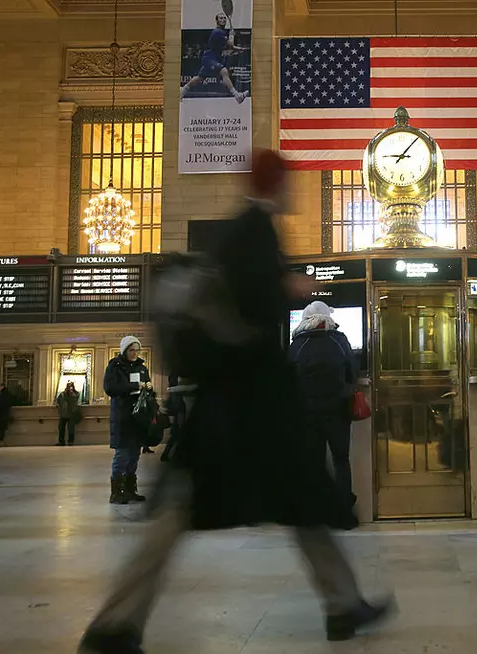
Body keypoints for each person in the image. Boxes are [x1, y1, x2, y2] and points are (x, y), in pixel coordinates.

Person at [78, 150, 391, 654]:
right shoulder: (253, 231)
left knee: (295, 500)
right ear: (276, 183)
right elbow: (252, 311)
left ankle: (343, 603)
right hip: (245, 406)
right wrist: (289, 288)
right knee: (197, 508)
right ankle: (113, 625)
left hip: (241, 404)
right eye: (287, 181)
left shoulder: (241, 231)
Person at [288, 300, 358, 508]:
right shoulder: (339, 340)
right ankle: (344, 511)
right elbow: (352, 373)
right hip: (338, 411)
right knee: (341, 460)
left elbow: (289, 379)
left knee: (315, 462)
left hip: (308, 412)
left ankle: (318, 510)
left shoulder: (298, 344)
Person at [103, 336, 152, 505]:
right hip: (123, 416)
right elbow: (110, 388)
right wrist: (134, 387)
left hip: (138, 417)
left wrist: (148, 390)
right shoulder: (115, 367)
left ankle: (131, 490)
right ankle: (116, 492)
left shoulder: (142, 368)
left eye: (137, 350)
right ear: (124, 351)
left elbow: (147, 386)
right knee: (122, 454)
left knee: (134, 455)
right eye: (131, 350)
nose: (135, 353)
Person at [179, 13, 248, 103]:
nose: (223, 19)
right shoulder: (218, 32)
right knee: (224, 71)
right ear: (217, 21)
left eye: (224, 18)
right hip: (209, 58)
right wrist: (232, 35)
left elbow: (229, 46)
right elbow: (230, 45)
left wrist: (239, 49)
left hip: (212, 58)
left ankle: (183, 90)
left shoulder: (221, 32)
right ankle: (237, 96)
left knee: (200, 77)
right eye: (221, 18)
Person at [56, 381, 81, 446]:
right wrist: (59, 409)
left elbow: (75, 401)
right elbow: (58, 401)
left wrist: (71, 394)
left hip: (71, 414)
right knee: (61, 428)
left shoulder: (76, 394)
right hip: (63, 414)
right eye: (69, 387)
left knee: (71, 429)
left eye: (71, 386)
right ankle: (61, 441)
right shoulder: (62, 394)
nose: (70, 388)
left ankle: (70, 441)